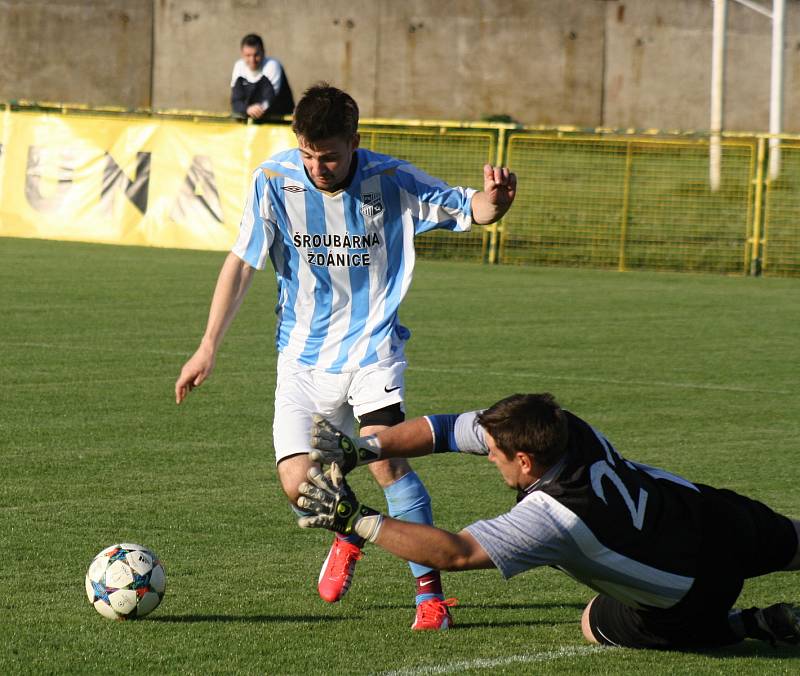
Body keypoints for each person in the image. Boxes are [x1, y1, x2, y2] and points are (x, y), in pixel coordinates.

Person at [175, 83, 517, 630]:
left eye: (329, 155)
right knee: (299, 486)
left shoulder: (391, 179)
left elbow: (468, 208)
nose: (318, 166)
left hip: (372, 351)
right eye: (309, 154)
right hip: (302, 358)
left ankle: (429, 597)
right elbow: (242, 263)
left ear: (355, 141)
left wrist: (494, 202)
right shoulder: (275, 181)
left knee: (386, 459)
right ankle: (349, 531)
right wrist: (207, 345)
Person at [297, 393, 800, 649]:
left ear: (525, 462)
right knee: (790, 540)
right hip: (712, 516)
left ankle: (750, 623)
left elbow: (455, 552)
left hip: (689, 591)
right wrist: (365, 449)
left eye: (495, 455)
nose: (488, 458)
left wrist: (357, 519)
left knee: (592, 623)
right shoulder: (564, 427)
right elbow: (449, 430)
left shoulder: (551, 518)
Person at [231, 33, 294, 121]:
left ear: (263, 52)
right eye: (248, 55)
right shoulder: (239, 66)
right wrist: (247, 109)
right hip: (250, 124)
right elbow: (235, 102)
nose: (252, 60)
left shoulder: (273, 65)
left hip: (278, 123)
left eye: (256, 55)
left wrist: (254, 110)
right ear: (242, 54)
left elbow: (269, 101)